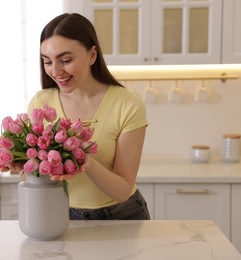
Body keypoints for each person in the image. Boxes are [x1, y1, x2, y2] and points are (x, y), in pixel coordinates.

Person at [25, 13, 150, 220]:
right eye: (47, 62)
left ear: (92, 55)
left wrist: (85, 160)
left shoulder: (127, 105)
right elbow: (37, 174)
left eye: (65, 60)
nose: (55, 71)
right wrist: (22, 162)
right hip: (61, 213)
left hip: (122, 215)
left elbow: (121, 191)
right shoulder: (41, 103)